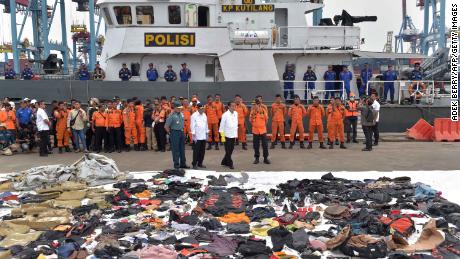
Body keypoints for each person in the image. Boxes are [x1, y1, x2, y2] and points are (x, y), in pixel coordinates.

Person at [165, 101, 189, 169]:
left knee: (182, 149)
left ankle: (183, 163)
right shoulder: (171, 115)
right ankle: (176, 165)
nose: (180, 109)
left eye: (180, 108)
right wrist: (170, 133)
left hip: (181, 132)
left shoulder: (181, 114)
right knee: (176, 150)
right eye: (178, 108)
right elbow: (166, 126)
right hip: (174, 133)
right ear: (175, 108)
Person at [250, 99, 270, 164]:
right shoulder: (252, 112)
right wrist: (255, 125)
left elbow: (266, 120)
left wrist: (262, 125)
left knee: (265, 145)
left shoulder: (263, 111)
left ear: (258, 104)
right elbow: (250, 120)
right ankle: (257, 158)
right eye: (253, 105)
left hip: (263, 130)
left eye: (254, 105)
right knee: (256, 145)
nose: (253, 106)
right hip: (255, 131)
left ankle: (265, 158)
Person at [220, 101, 238, 169]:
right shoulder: (225, 115)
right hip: (226, 135)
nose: (234, 107)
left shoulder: (236, 113)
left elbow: (236, 125)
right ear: (229, 107)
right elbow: (221, 126)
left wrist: (236, 135)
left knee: (231, 149)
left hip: (233, 135)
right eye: (232, 106)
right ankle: (230, 163)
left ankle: (224, 161)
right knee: (227, 150)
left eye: (234, 106)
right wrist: (222, 137)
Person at [190, 103, 208, 169]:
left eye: (203, 109)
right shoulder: (194, 116)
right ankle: (194, 164)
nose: (202, 110)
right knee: (196, 151)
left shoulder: (204, 115)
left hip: (203, 135)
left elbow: (206, 124)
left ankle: (200, 163)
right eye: (201, 109)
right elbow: (192, 126)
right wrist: (193, 135)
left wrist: (207, 133)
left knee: (202, 151)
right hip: (197, 136)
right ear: (198, 108)